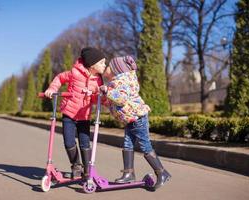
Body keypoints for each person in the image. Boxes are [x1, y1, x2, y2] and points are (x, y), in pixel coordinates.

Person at [100, 56, 171, 190]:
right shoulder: (116, 81)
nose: (106, 68)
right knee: (127, 144)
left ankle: (162, 173)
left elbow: (121, 99)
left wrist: (108, 91)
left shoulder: (122, 81)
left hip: (138, 118)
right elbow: (114, 101)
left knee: (145, 146)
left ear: (116, 69)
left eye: (108, 66)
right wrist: (105, 95)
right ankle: (129, 174)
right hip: (130, 119)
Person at [44, 47, 106, 179]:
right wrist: (52, 88)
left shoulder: (99, 80)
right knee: (68, 142)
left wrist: (97, 95)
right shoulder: (74, 72)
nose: (104, 65)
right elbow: (60, 78)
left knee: (85, 143)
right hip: (69, 113)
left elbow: (96, 99)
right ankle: (76, 165)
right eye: (102, 63)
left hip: (84, 115)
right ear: (92, 64)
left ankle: (88, 169)